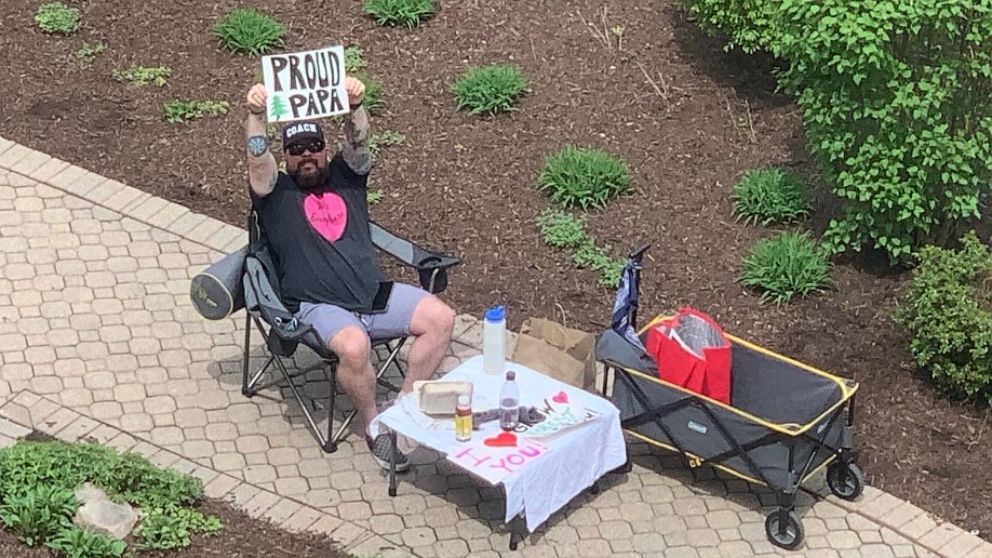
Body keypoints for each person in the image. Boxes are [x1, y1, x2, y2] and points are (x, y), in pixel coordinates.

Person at [243, 78, 455, 471]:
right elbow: (258, 158)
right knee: (355, 347)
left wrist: (356, 105)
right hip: (318, 306)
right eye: (295, 150)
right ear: (286, 157)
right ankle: (374, 424)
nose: (306, 155)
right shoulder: (276, 192)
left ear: (325, 149)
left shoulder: (348, 176)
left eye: (313, 147)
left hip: (373, 295)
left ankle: (404, 410)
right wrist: (256, 116)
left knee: (441, 319)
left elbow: (360, 143)